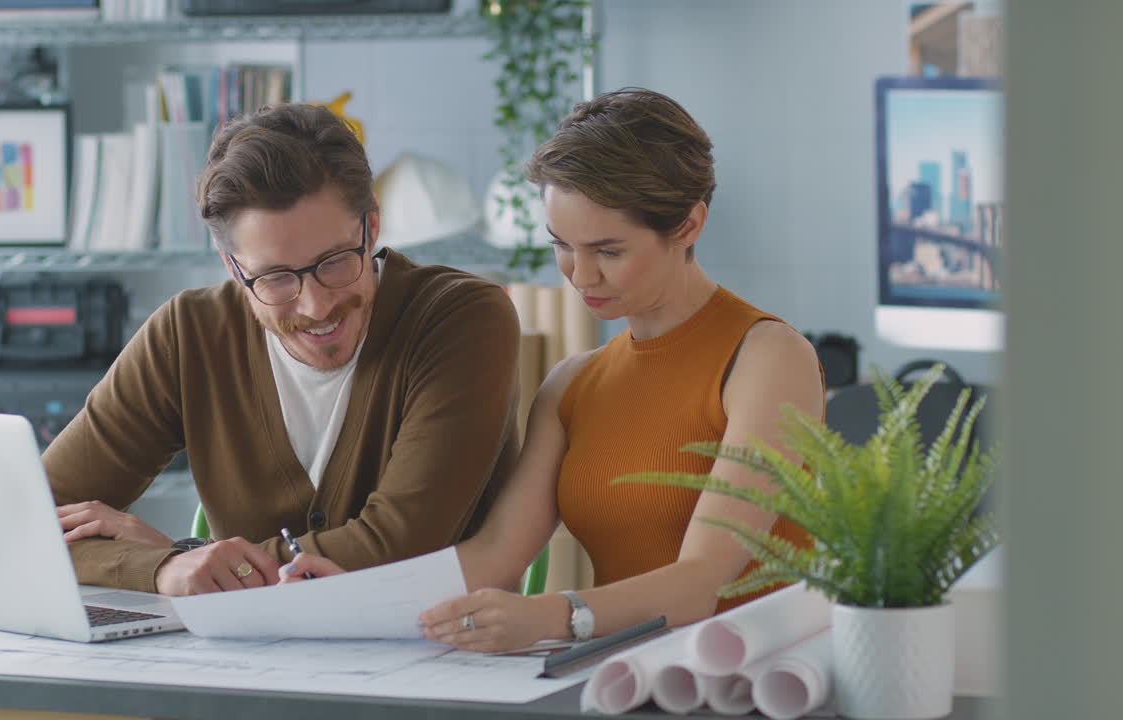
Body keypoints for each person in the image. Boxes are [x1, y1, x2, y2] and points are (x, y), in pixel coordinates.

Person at [283, 88, 825, 652]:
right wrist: (352, 595)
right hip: (623, 675)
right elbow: (494, 556)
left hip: (759, 677)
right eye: (562, 245)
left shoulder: (767, 357)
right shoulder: (571, 384)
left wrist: (552, 615)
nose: (580, 276)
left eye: (608, 251)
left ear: (688, 225)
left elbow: (700, 585)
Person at [46, 103, 521, 597]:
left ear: (372, 228)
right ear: (232, 267)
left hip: (436, 640)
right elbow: (33, 520)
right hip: (242, 646)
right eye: (275, 277)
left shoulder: (462, 319)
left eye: (335, 261)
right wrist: (162, 567)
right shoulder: (189, 334)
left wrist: (190, 557)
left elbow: (398, 547)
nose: (316, 306)